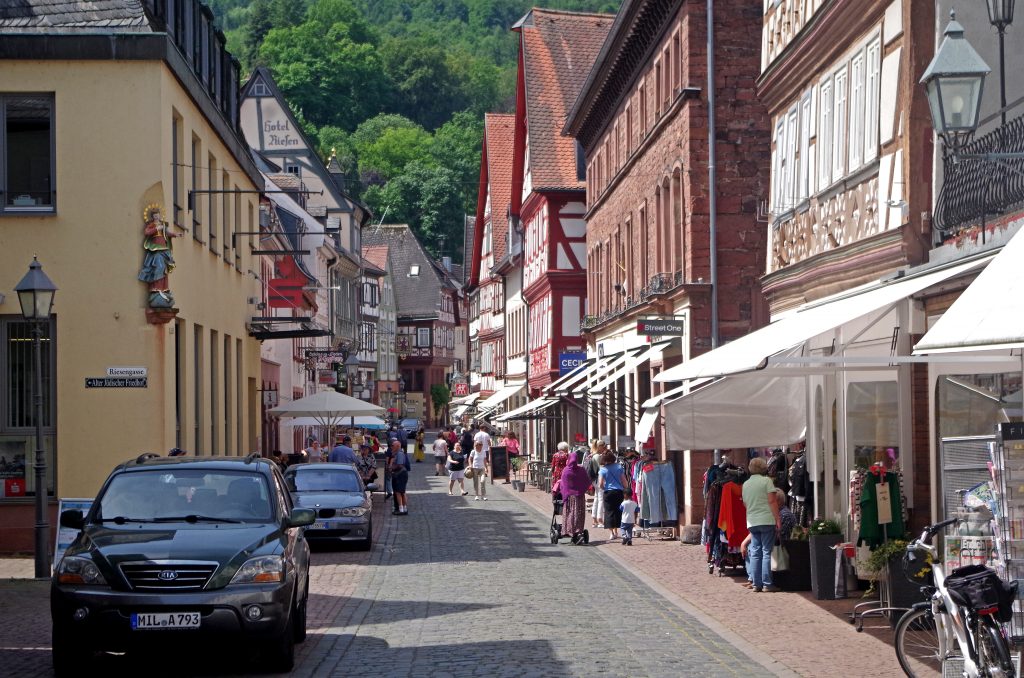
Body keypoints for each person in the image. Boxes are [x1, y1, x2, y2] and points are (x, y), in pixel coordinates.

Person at [742, 457, 782, 593]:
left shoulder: (746, 484)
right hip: (766, 520)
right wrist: (777, 518)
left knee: (755, 552)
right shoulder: (767, 481)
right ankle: (767, 584)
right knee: (766, 552)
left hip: (752, 521)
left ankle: (755, 583)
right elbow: (772, 501)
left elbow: (745, 504)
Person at [137, 204, 180, 308]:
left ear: (160, 215)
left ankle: (164, 289)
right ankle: (155, 289)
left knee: (165, 269)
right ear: (152, 216)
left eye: (158, 215)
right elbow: (147, 233)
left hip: (164, 247)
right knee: (159, 266)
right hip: (155, 248)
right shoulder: (151, 225)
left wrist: (175, 234)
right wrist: (156, 228)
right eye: (155, 215)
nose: (156, 216)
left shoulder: (163, 225)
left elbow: (167, 233)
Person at [559, 451, 591, 544]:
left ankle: (571, 533)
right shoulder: (581, 470)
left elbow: (563, 485)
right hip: (580, 497)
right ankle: (578, 531)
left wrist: (564, 494)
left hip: (569, 498)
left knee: (570, 514)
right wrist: (581, 489)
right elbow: (587, 482)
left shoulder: (566, 471)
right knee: (579, 514)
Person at [598, 451, 628, 541]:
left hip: (608, 493)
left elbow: (600, 483)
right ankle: (616, 531)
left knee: (609, 512)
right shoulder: (619, 467)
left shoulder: (603, 469)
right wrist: (626, 489)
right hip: (619, 492)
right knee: (618, 511)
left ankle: (611, 533)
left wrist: (604, 488)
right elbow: (624, 481)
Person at [389, 439, 411, 515]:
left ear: (398, 446)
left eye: (393, 445)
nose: (391, 447)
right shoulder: (396, 453)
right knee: (401, 492)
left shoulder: (400, 453)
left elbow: (400, 465)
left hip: (400, 474)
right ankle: (403, 508)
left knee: (399, 492)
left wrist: (391, 468)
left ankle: (401, 509)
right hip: (400, 473)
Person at [588, 440, 605, 528]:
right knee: (601, 498)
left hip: (594, 479)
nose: (604, 448)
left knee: (597, 498)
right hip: (599, 479)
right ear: (599, 446)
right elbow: (601, 469)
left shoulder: (593, 455)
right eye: (603, 446)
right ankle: (600, 519)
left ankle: (594, 519)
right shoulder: (598, 456)